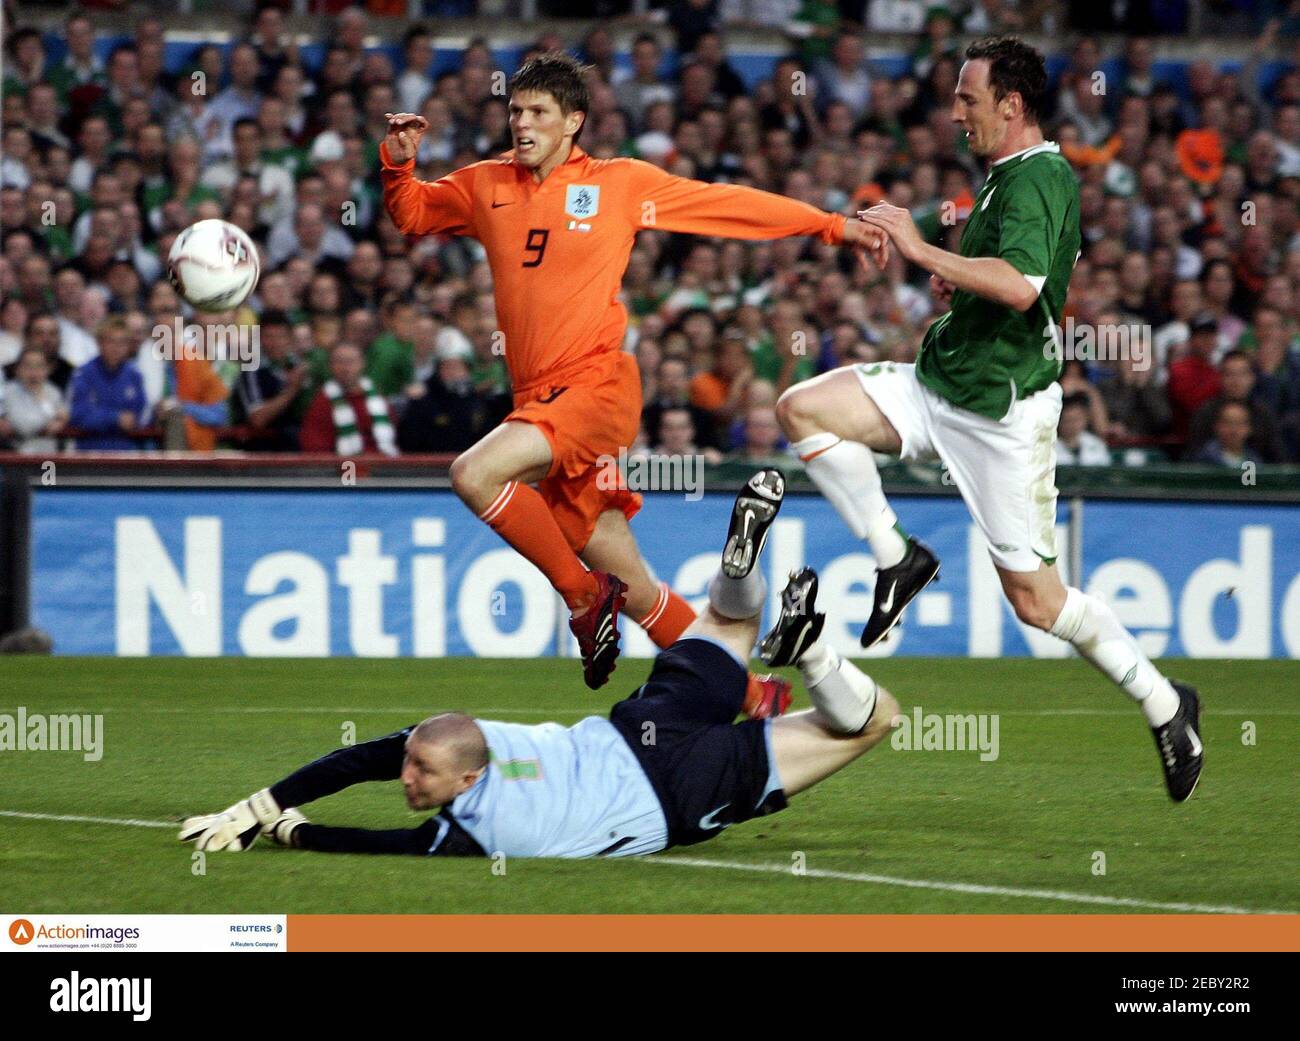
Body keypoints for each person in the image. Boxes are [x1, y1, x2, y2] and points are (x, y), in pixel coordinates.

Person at [773, 36, 1203, 802]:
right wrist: (956, 284)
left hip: (1001, 416)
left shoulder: (1040, 176)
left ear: (1012, 104)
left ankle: (1166, 704)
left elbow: (1021, 284)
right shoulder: (1008, 174)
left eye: (967, 98)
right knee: (802, 409)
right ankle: (898, 558)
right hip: (942, 381)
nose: (954, 112)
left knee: (1038, 603)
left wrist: (922, 252)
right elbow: (1002, 281)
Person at [380, 52, 886, 691]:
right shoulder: (488, 184)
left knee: (474, 474)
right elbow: (414, 214)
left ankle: (582, 598)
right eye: (515, 111)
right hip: (538, 398)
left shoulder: (618, 184)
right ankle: (753, 696)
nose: (522, 124)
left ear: (574, 121)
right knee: (640, 591)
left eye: (538, 113)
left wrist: (832, 225)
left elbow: (726, 205)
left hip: (594, 387)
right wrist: (398, 163)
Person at [178, 470, 902, 858]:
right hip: (640, 725)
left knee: (876, 723)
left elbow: (380, 842)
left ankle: (811, 648)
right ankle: (773, 605)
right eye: (412, 767)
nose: (405, 777)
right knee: (732, 618)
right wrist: (260, 806)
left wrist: (287, 827)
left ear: (468, 780)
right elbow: (358, 761)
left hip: (676, 795)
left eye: (418, 770)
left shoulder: (480, 831)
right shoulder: (476, 738)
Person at [299, 342, 398, 456]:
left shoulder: (378, 398)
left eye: (351, 361)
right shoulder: (322, 403)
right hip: (343, 465)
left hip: (383, 462)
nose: (345, 368)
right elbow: (315, 447)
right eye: (339, 362)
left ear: (362, 364)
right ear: (330, 366)